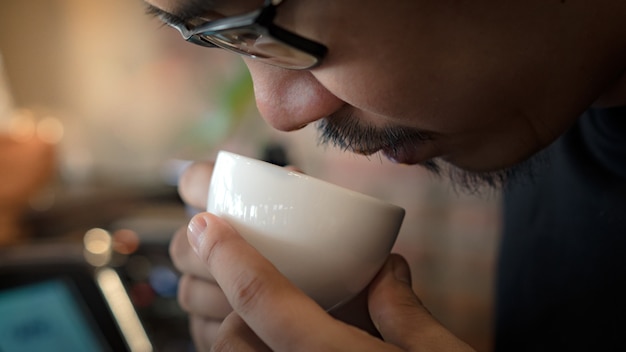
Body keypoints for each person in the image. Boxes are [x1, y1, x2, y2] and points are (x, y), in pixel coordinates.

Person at [144, 0, 626, 350]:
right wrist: (343, 324)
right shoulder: (559, 111)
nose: (279, 112)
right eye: (220, 36)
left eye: (265, 23)